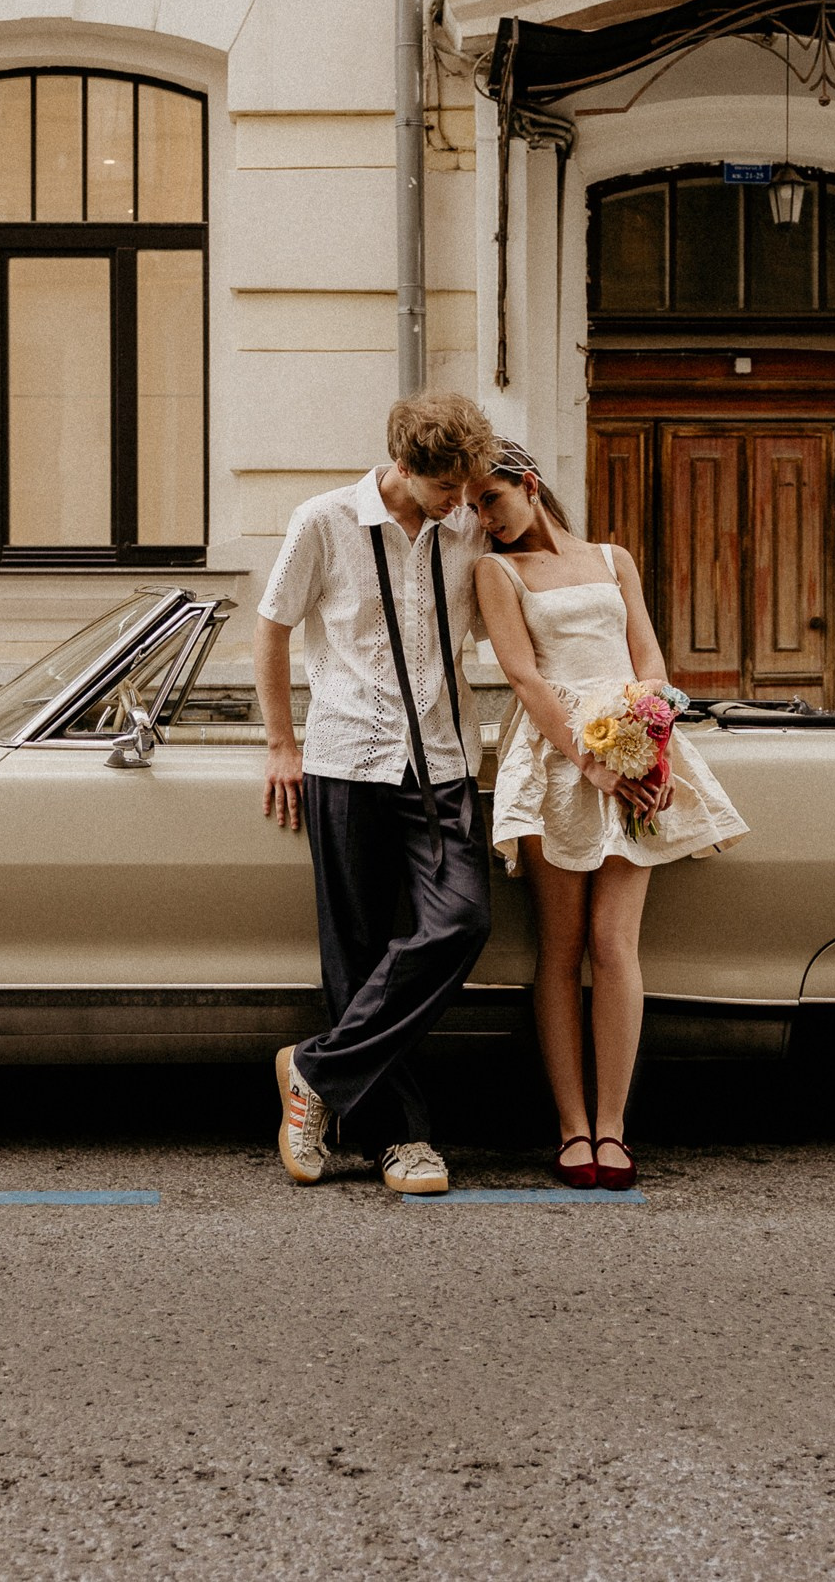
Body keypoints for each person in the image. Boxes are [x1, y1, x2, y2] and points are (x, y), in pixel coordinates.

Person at [468, 441, 747, 1191]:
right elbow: (526, 678)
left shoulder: (613, 557)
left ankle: (615, 1127)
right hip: (558, 755)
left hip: (634, 744)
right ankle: (571, 1128)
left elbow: (648, 659)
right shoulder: (496, 571)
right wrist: (592, 762)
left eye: (490, 499)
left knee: (613, 941)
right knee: (560, 946)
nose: (482, 518)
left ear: (529, 484)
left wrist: (647, 753)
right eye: (471, 507)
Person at [254, 391, 499, 1196]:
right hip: (348, 757)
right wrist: (282, 742)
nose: (459, 503)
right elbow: (274, 625)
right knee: (354, 954)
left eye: (466, 488)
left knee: (461, 918)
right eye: (445, 489)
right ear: (404, 466)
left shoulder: (468, 523)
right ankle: (402, 1140)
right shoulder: (323, 520)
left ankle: (314, 1070)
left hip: (443, 760)